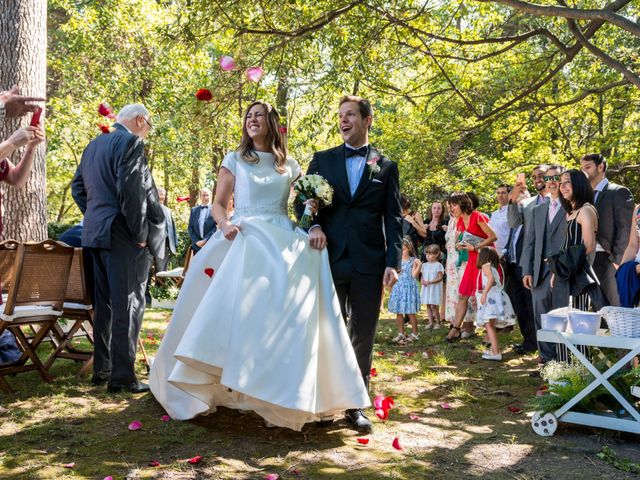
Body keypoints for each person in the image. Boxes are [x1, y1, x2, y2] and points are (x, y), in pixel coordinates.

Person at [149, 101, 369, 432]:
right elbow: (219, 205)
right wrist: (225, 227)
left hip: (282, 236)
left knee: (293, 294)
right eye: (248, 116)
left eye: (259, 116)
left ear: (271, 123)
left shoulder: (289, 165)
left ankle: (280, 386)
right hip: (245, 234)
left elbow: (299, 210)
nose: (252, 120)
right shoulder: (234, 160)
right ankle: (225, 380)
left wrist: (310, 213)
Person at [304, 95, 402, 433]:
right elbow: (304, 204)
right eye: (340, 116)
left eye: (350, 115)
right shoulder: (322, 160)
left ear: (367, 120)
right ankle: (324, 401)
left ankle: (355, 403)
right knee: (328, 329)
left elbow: (394, 217)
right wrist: (313, 225)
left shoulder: (385, 166)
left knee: (363, 331)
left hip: (369, 261)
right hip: (328, 258)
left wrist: (394, 262)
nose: (344, 121)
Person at [72, 103, 166, 393]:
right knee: (129, 302)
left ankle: (103, 369)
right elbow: (132, 191)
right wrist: (139, 233)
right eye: (149, 125)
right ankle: (123, 378)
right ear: (140, 120)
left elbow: (77, 188)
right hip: (123, 236)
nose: (148, 132)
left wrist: (97, 214)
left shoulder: (93, 145)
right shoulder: (130, 141)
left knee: (105, 305)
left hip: (95, 234)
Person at [519, 165, 567, 362]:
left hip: (563, 272)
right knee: (541, 317)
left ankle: (564, 364)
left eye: (556, 178)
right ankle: (547, 362)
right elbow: (530, 242)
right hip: (539, 272)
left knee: (561, 318)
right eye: (548, 179)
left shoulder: (572, 207)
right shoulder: (538, 209)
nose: (552, 182)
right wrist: (527, 270)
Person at [580, 153, 634, 306]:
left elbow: (626, 229)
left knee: (615, 308)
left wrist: (618, 262)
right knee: (597, 311)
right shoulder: (584, 196)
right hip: (588, 259)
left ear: (601, 167)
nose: (584, 172)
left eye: (588, 167)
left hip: (609, 260)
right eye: (582, 168)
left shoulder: (618, 192)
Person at [551, 169, 606, 312]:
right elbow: (565, 245)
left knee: (578, 318)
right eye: (561, 183)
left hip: (579, 275)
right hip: (566, 273)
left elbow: (588, 246)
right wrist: (556, 272)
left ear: (579, 184)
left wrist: (564, 267)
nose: (562, 186)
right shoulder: (570, 213)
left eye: (567, 182)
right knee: (563, 319)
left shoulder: (586, 210)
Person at [446, 192, 497, 342]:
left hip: (485, 259)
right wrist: (459, 244)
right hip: (471, 260)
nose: (450, 209)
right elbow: (463, 239)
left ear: (462, 204)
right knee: (463, 295)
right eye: (449, 206)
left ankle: (489, 334)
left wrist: (475, 247)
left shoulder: (477, 216)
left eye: (453, 205)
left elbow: (493, 237)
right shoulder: (460, 220)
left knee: (484, 295)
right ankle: (455, 329)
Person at [475, 247, 516, 361]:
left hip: (491, 299)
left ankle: (496, 352)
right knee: (490, 325)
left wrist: (484, 293)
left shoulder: (486, 266)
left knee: (489, 325)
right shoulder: (495, 267)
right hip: (496, 298)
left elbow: (490, 279)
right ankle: (494, 350)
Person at [389, 237, 421, 343]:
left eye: (404, 249)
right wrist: (397, 272)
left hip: (409, 288)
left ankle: (415, 333)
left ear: (409, 248)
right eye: (400, 250)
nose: (402, 252)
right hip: (398, 287)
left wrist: (419, 265)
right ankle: (401, 333)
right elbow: (394, 275)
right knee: (398, 311)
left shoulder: (413, 260)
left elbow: (413, 275)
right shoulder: (396, 261)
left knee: (410, 311)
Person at [421, 244, 444, 329]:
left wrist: (430, 282)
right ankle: (430, 322)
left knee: (434, 306)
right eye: (427, 254)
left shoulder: (438, 265)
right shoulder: (424, 265)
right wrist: (422, 281)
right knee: (428, 305)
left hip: (434, 288)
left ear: (437, 254)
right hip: (427, 288)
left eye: (430, 254)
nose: (428, 256)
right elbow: (422, 276)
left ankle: (438, 322)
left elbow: (440, 278)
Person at [155, 188, 178, 273]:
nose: (162, 196)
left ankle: (161, 285)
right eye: (160, 193)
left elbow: (173, 227)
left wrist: (175, 243)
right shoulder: (152, 208)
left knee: (163, 267)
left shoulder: (168, 210)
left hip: (167, 243)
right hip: (156, 242)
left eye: (163, 194)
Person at [187, 188, 216, 254]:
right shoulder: (194, 210)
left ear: (210, 196)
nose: (205, 197)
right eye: (203, 195)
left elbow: (215, 227)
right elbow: (190, 227)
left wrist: (205, 240)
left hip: (210, 245)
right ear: (200, 196)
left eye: (207, 195)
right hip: (197, 246)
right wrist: (196, 241)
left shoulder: (215, 209)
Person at [490, 184, 511, 257]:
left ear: (510, 194)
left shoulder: (512, 213)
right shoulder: (494, 214)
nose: (500, 195)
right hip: (493, 254)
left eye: (503, 193)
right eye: (498, 193)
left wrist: (504, 252)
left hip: (506, 255)